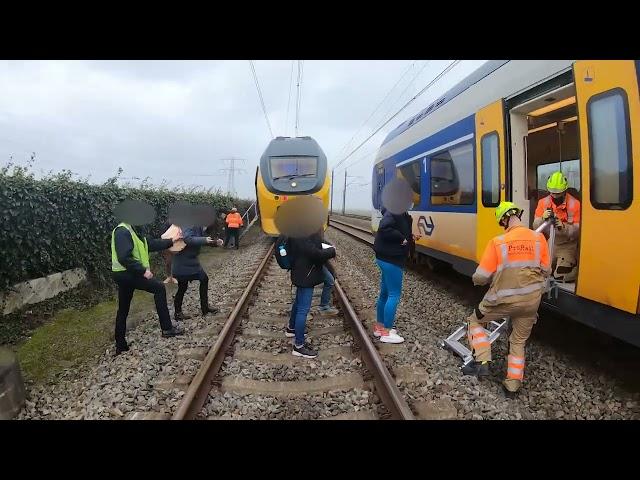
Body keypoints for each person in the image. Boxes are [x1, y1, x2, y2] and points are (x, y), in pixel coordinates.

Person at [462, 201, 551, 398]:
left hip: (502, 302)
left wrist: (476, 280)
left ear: (503, 220)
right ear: (518, 216)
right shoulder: (539, 239)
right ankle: (512, 386)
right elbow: (546, 270)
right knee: (518, 341)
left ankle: (482, 361)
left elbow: (482, 276)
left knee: (475, 321)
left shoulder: (498, 242)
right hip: (530, 303)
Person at [111, 217, 184, 355]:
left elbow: (151, 244)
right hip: (127, 274)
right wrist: (143, 271)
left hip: (126, 274)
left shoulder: (134, 230)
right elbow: (123, 257)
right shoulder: (122, 231)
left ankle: (121, 345)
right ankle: (167, 329)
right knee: (159, 288)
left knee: (123, 308)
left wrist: (171, 241)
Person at [285, 231, 336, 358]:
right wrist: (331, 251)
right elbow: (314, 254)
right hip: (306, 274)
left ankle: (291, 328)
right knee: (303, 309)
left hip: (301, 271)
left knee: (298, 302)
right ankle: (299, 346)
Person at [372, 206, 415, 344]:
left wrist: (409, 237)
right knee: (393, 295)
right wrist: (401, 238)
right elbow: (384, 228)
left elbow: (395, 228)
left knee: (385, 293)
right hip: (392, 259)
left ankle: (379, 328)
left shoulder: (395, 210)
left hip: (385, 258)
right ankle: (387, 332)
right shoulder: (395, 210)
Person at [532, 171, 580, 282]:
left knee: (560, 276)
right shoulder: (543, 202)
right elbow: (535, 227)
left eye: (558, 193)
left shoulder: (575, 204)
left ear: (564, 191)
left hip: (567, 245)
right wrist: (542, 219)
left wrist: (564, 227)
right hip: (549, 244)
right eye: (552, 193)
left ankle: (576, 269)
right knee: (541, 272)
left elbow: (578, 231)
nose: (554, 196)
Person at [172, 224, 220, 321]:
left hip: (192, 261)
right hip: (182, 261)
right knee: (182, 287)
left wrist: (214, 243)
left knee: (203, 279)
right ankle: (178, 313)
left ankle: (205, 308)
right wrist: (204, 240)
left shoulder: (198, 225)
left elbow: (199, 240)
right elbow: (187, 238)